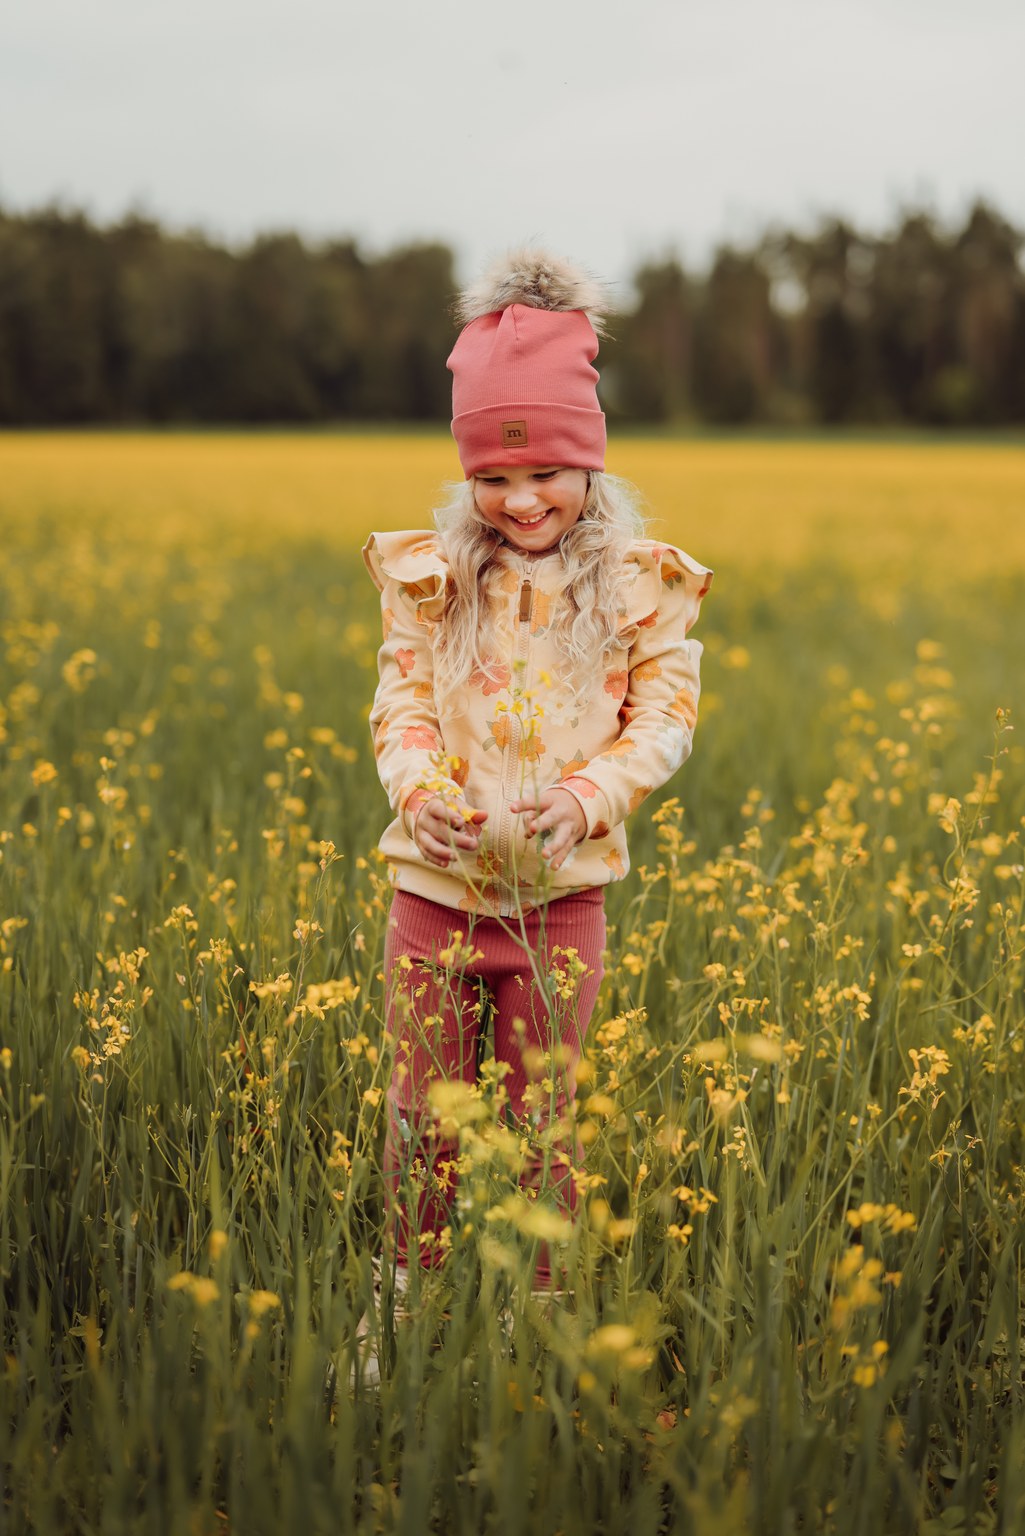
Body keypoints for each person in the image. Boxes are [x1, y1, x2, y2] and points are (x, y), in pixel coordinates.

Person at [363, 248, 712, 1303]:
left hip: (562, 902)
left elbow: (664, 718)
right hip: (434, 898)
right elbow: (402, 706)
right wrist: (418, 795)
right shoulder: (427, 580)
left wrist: (582, 798)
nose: (520, 500)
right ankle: (405, 1301)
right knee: (420, 1117)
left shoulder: (640, 588)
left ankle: (536, 1308)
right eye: (493, 476)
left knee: (540, 1122)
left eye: (544, 471)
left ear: (590, 464)